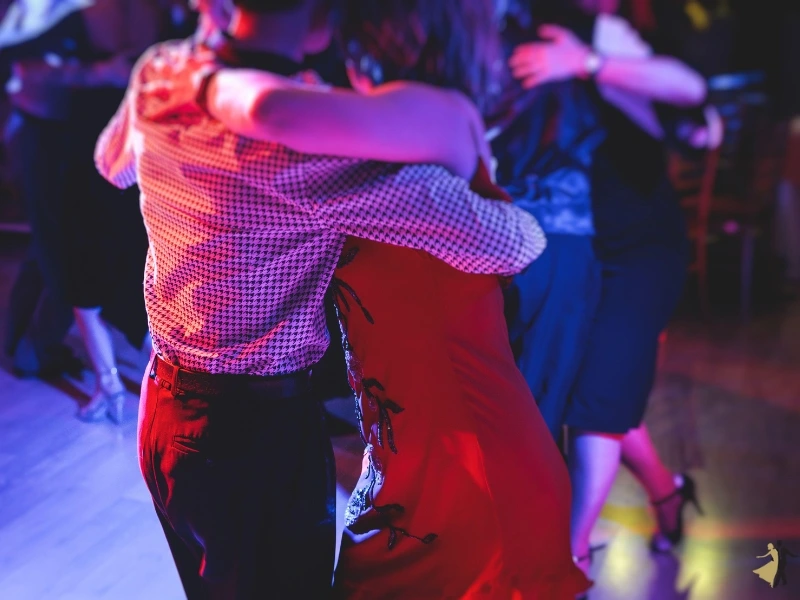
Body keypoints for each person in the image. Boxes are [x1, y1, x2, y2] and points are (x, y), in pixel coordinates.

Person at [95, 0, 549, 596]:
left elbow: (113, 165)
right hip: (254, 431)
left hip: (162, 405)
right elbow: (513, 243)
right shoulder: (312, 156)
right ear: (321, 19)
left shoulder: (164, 70)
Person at [503, 0, 718, 582]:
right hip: (572, 247)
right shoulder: (528, 29)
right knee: (601, 389)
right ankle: (667, 492)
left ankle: (569, 555)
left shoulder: (610, 37)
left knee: (598, 403)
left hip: (640, 250)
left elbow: (693, 98)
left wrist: (587, 63)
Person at [3, 0, 163, 421]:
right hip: (68, 142)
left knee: (112, 263)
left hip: (120, 141)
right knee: (68, 260)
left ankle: (121, 383)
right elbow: (21, 64)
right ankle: (90, 375)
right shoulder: (52, 13)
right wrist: (98, 72)